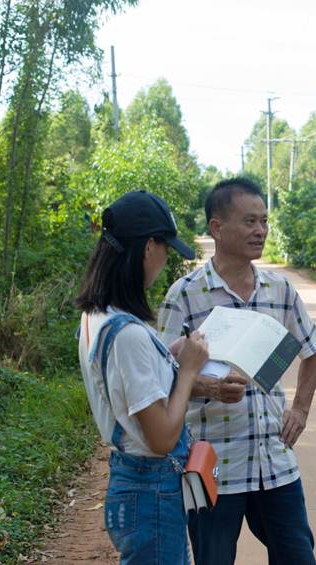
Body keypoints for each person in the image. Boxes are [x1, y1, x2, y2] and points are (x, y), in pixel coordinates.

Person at [158, 177, 316, 565]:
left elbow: (312, 350)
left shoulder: (279, 291)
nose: (261, 230)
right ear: (217, 227)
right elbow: (162, 376)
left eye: (264, 221)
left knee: (299, 558)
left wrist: (299, 409)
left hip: (274, 460)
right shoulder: (185, 295)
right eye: (250, 221)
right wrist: (209, 389)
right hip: (213, 463)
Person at [75, 190, 209, 564]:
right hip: (151, 490)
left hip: (132, 485)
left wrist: (167, 354)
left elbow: (119, 385)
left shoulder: (97, 317)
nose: (166, 260)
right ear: (149, 247)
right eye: (166, 248)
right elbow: (162, 437)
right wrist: (188, 372)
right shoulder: (129, 334)